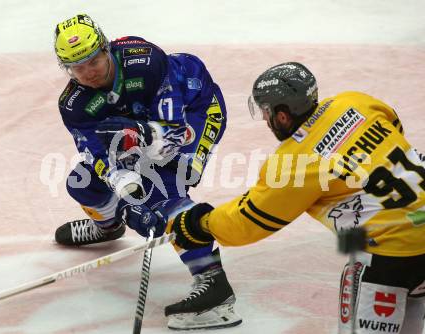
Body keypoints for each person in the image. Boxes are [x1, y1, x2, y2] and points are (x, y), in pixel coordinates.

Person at [169, 62, 425, 333]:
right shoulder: (354, 101)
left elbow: (249, 221)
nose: (266, 120)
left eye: (266, 112)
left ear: (282, 115)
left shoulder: (295, 161)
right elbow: (395, 125)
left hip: (391, 254)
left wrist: (200, 223)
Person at [53, 14, 242, 330]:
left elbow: (175, 135)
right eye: (76, 67)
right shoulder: (74, 104)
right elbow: (98, 154)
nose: (87, 72)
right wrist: (126, 197)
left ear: (105, 48)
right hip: (137, 125)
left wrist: (138, 143)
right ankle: (108, 227)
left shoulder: (145, 61)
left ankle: (214, 285)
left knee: (167, 191)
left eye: (92, 60)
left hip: (195, 111)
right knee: (82, 183)